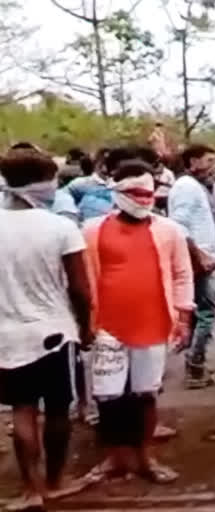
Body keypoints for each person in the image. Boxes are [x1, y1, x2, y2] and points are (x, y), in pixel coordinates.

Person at [82, 159, 193, 484]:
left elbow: (182, 274)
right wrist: (84, 324)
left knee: (146, 395)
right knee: (109, 398)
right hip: (106, 329)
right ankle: (114, 458)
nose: (143, 199)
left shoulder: (168, 230)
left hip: (154, 326)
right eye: (135, 192)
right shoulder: (92, 230)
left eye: (149, 193)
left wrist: (183, 317)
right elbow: (84, 280)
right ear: (116, 190)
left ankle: (145, 457)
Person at [0, 150, 92, 510]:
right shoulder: (60, 227)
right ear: (43, 183)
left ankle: (31, 489)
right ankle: (55, 481)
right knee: (57, 410)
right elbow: (80, 289)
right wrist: (86, 328)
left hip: (6, 334)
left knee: (22, 410)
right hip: (54, 332)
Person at [168, 144, 215, 389]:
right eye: (208, 160)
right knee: (205, 313)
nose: (213, 166)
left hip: (202, 256)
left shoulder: (196, 187)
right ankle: (195, 367)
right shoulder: (187, 187)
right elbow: (179, 226)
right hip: (198, 258)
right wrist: (199, 256)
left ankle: (196, 363)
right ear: (192, 162)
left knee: (203, 312)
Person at [66, 147, 115, 220]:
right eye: (102, 162)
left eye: (110, 163)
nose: (105, 167)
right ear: (96, 163)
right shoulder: (79, 184)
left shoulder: (122, 185)